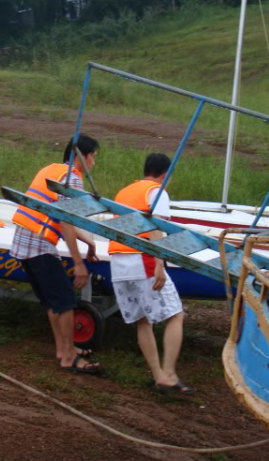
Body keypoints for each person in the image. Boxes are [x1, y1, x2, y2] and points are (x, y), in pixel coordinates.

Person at [10, 134, 102, 375]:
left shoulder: (51, 170)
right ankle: (69, 356)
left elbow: (55, 214)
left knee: (54, 302)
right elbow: (66, 222)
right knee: (66, 302)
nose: (94, 163)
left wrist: (89, 243)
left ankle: (64, 349)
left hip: (23, 243)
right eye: (93, 156)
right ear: (81, 156)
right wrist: (79, 263)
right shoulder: (72, 178)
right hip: (39, 245)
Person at [108, 153, 194, 394]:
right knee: (175, 314)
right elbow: (156, 228)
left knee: (142, 321)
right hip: (143, 260)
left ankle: (158, 375)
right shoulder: (157, 192)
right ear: (165, 173)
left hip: (118, 262)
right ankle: (169, 373)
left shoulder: (124, 192)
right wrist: (160, 265)